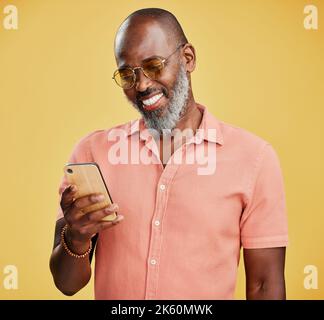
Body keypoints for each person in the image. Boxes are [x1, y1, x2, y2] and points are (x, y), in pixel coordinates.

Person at [50, 8, 288, 300]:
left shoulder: (255, 159)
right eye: (128, 74)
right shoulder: (92, 153)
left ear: (188, 58)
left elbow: (264, 285)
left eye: (153, 65)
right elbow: (66, 284)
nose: (142, 85)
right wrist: (76, 237)